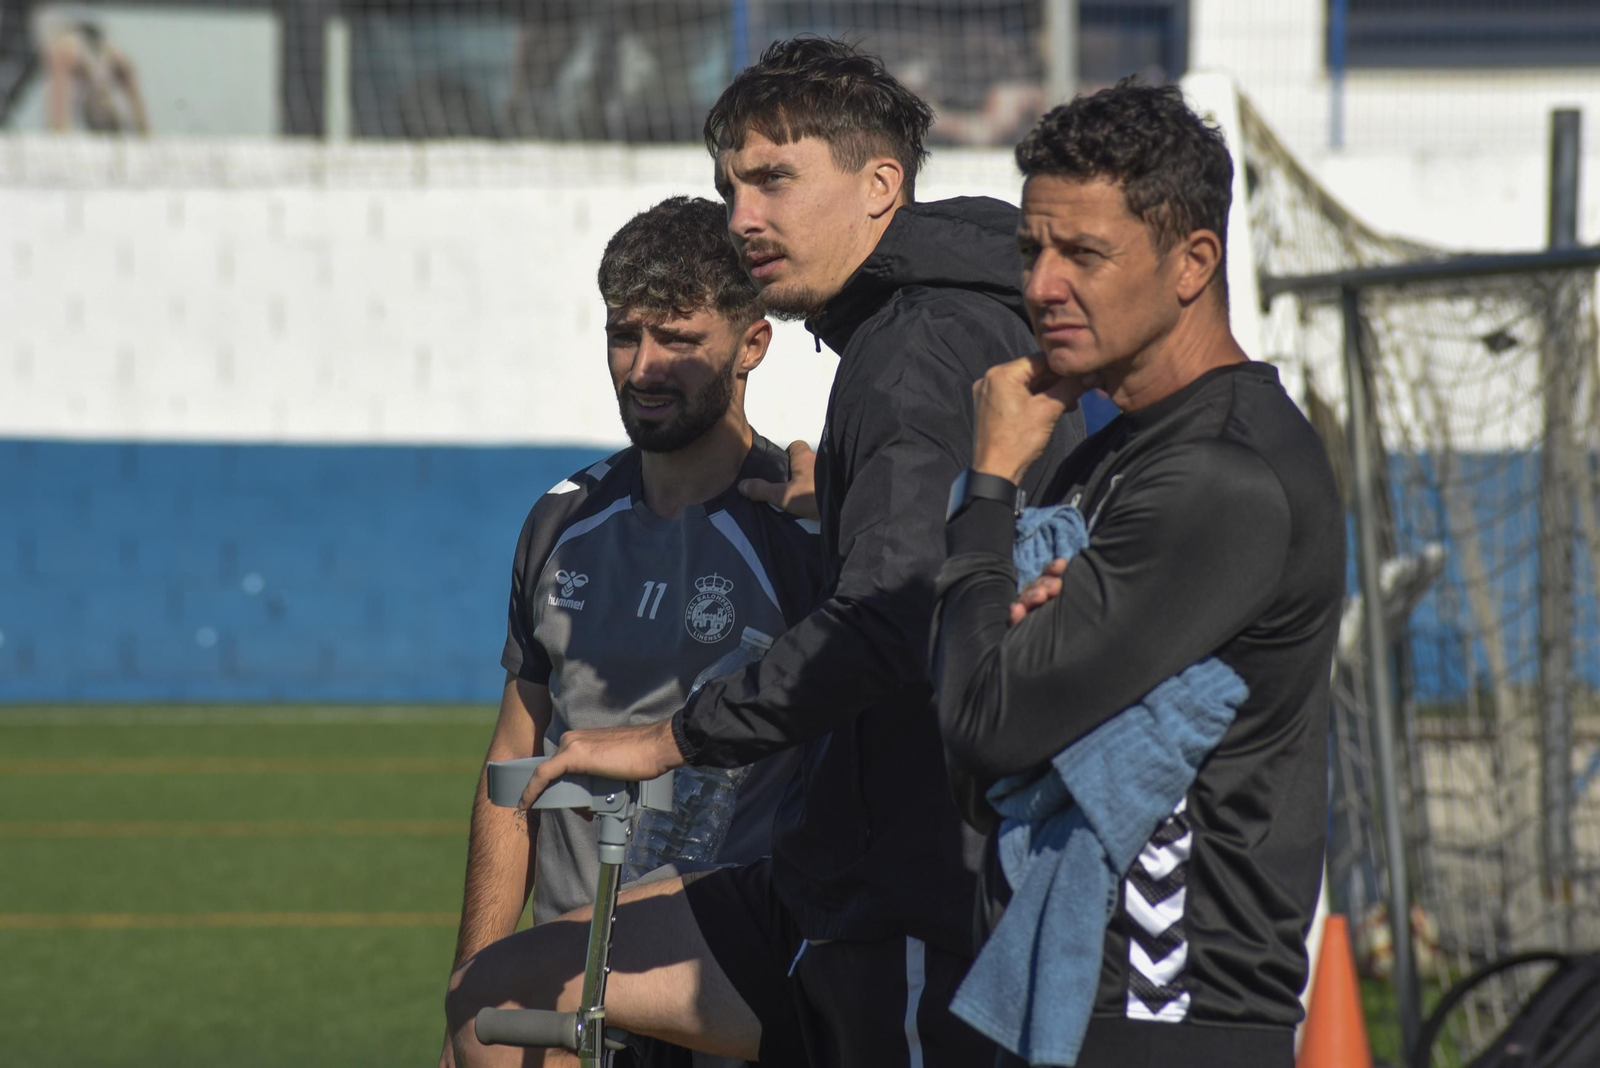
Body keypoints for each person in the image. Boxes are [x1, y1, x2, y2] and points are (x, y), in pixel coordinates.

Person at [445, 38, 1086, 1068]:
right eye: (728, 185)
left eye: (774, 180)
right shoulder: (919, 331)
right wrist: (841, 505)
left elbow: (891, 613)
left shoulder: (911, 353)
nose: (742, 217)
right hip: (866, 876)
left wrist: (671, 740)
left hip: (929, 880)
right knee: (498, 993)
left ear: (881, 185)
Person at [933, 82, 1344, 1067]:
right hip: (1070, 996)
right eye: (1032, 249)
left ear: (1192, 261)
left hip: (1166, 1009)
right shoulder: (1102, 455)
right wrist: (1012, 652)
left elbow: (984, 724)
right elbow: (972, 740)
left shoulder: (1221, 475)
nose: (1040, 286)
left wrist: (988, 487)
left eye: (1082, 253)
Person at [442, 195, 822, 1066]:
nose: (644, 366)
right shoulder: (561, 521)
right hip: (569, 1001)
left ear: (752, 344)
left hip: (724, 990)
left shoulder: (802, 533)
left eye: (680, 339)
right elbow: (513, 767)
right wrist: (469, 987)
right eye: (625, 335)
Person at [44, 20, 147, 134]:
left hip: (80, 35)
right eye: (107, 110)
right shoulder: (117, 61)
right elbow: (140, 113)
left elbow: (58, 119)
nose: (103, 106)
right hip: (83, 33)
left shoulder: (67, 53)